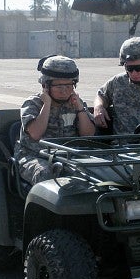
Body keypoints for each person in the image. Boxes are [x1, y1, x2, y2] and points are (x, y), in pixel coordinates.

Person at [14, 55, 95, 184]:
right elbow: (35, 134)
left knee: (95, 174)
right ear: (46, 85)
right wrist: (47, 104)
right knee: (46, 175)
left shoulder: (76, 103)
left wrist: (80, 108)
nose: (64, 91)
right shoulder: (33, 104)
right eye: (58, 86)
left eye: (69, 86)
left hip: (69, 157)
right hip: (34, 157)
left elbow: (88, 134)